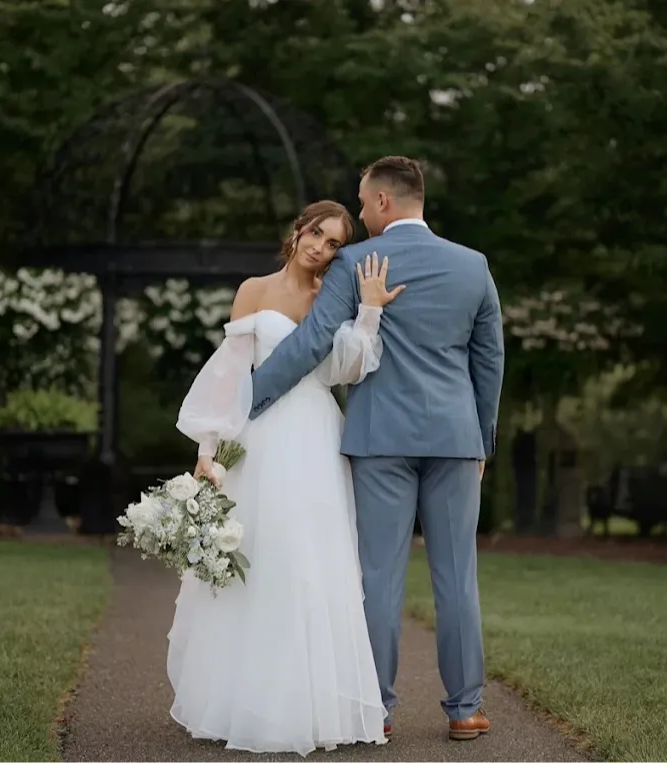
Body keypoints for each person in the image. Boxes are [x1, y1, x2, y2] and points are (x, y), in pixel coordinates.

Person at [250, 157, 506, 741]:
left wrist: (250, 397)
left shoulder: (357, 261)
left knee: (378, 576)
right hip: (454, 439)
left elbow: (315, 341)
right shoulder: (473, 267)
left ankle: (378, 710)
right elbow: (488, 361)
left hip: (380, 441)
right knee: (457, 577)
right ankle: (465, 709)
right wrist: (482, 438)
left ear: (385, 202)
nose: (360, 212)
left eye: (363, 203)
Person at [169, 200, 404, 755]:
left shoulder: (335, 295)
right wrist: (210, 448)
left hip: (318, 437)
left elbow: (348, 367)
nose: (320, 247)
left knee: (313, 564)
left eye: (333, 244)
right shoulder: (253, 289)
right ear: (298, 231)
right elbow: (230, 374)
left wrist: (367, 310)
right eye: (316, 234)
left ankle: (314, 706)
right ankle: (245, 702)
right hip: (260, 437)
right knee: (260, 560)